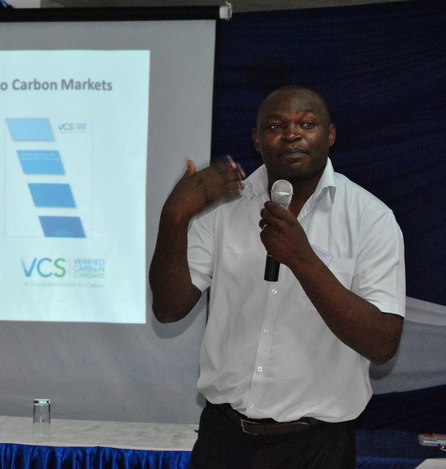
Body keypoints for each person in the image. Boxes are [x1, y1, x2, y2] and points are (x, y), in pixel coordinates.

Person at [149, 85, 405, 468]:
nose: (291, 134)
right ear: (256, 140)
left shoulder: (371, 218)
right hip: (224, 439)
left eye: (307, 124)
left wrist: (301, 259)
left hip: (316, 447)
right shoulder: (222, 207)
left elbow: (382, 344)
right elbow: (169, 309)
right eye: (275, 126)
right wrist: (174, 217)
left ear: (330, 135)